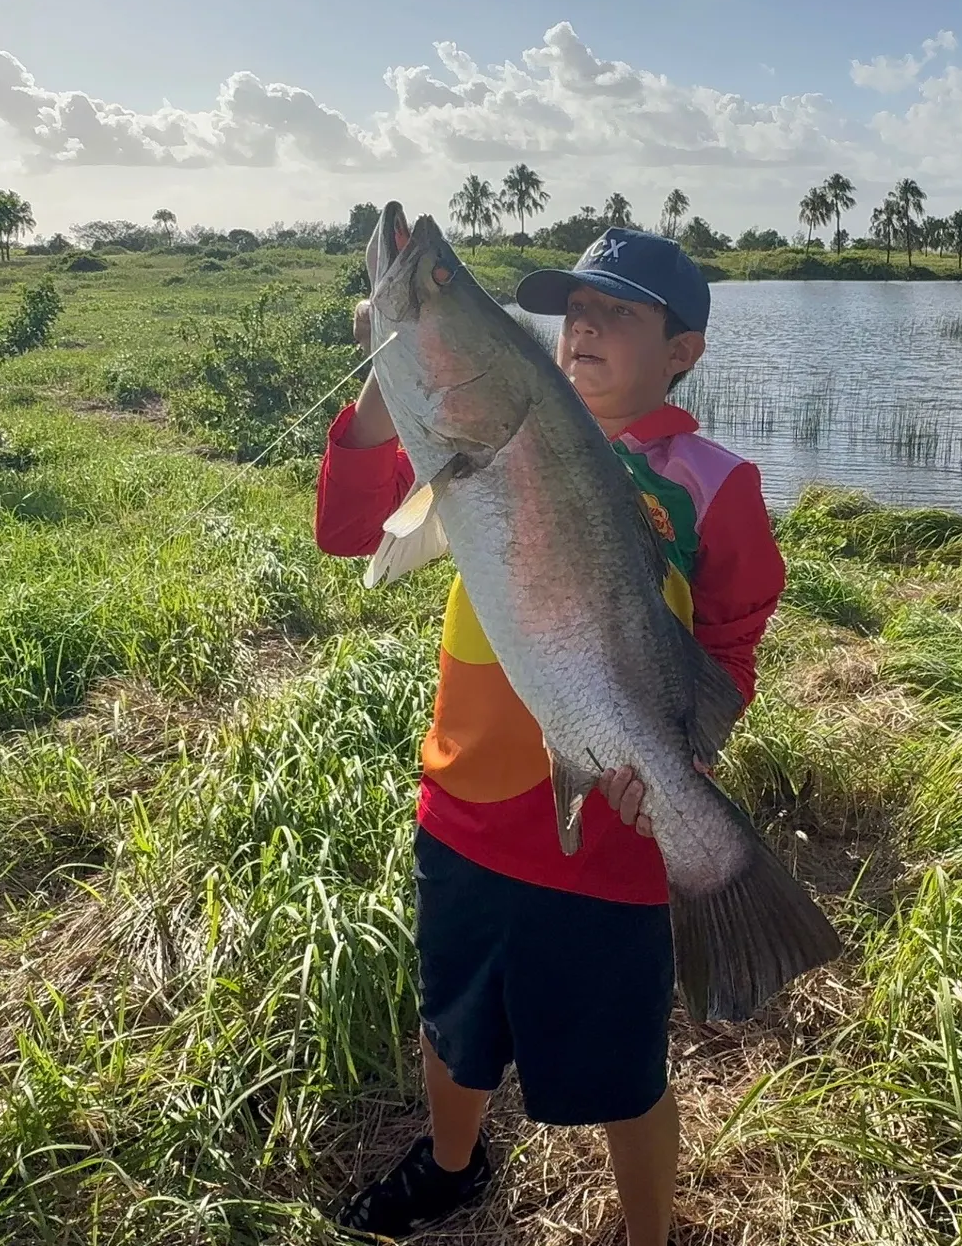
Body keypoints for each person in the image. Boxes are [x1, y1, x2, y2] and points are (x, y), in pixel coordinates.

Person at [314, 226, 787, 1245]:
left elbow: (731, 643)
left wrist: (686, 760)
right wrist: (387, 388)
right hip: (465, 807)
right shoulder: (471, 435)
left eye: (620, 311)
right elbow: (355, 536)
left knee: (623, 1067)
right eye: (573, 307)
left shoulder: (714, 482)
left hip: (611, 835)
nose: (585, 324)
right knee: (454, 1024)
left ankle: (646, 1229)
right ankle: (449, 1165)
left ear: (683, 351)